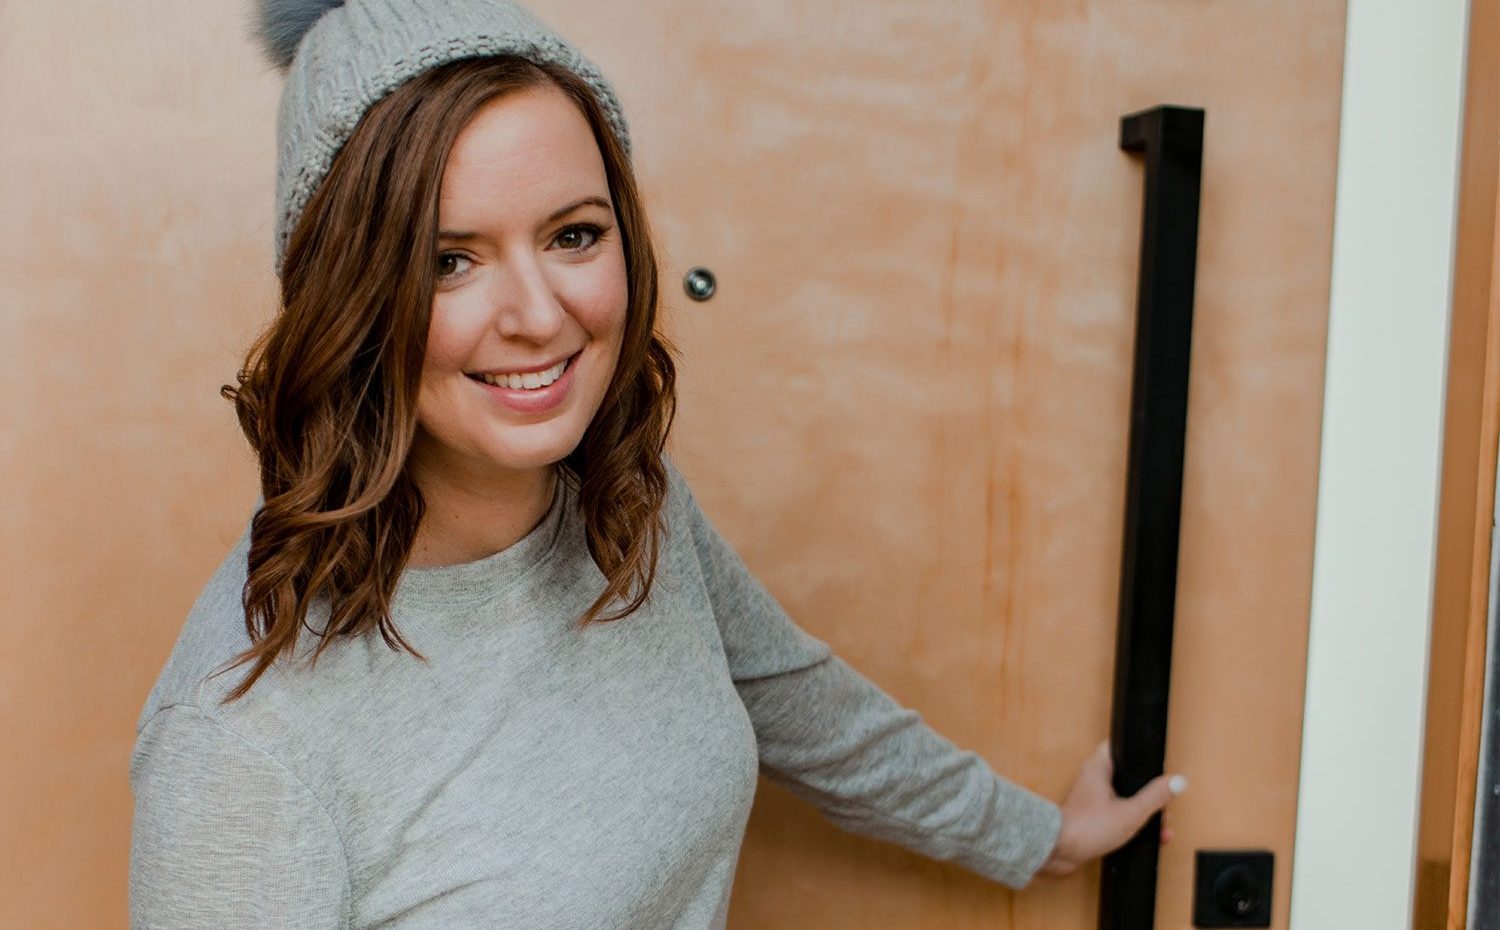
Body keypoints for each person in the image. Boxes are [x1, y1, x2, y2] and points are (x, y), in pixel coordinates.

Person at [128, 1, 1184, 926]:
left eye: (575, 236)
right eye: (449, 261)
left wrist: (1041, 836)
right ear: (345, 298)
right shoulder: (240, 742)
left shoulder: (625, 507)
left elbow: (805, 706)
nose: (540, 317)